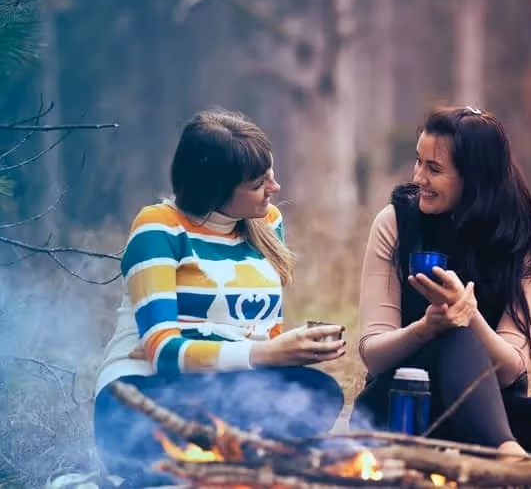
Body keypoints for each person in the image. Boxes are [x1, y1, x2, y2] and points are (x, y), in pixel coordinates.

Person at [351, 106, 531, 488]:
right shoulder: (396, 223)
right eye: (418, 162)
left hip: (487, 414)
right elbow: (374, 353)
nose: (419, 178)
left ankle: (478, 465)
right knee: (452, 330)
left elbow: (511, 368)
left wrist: (472, 317)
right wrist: (426, 328)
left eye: (434, 169)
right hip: (401, 411)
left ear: (475, 178)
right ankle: (512, 466)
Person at [93, 109, 346, 485]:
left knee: (318, 391)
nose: (274, 187)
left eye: (271, 173)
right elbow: (163, 353)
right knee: (201, 414)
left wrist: (291, 351)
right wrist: (265, 354)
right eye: (259, 182)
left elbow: (263, 332)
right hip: (143, 395)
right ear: (215, 188)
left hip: (227, 390)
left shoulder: (268, 222)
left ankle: (223, 465)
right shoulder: (159, 227)